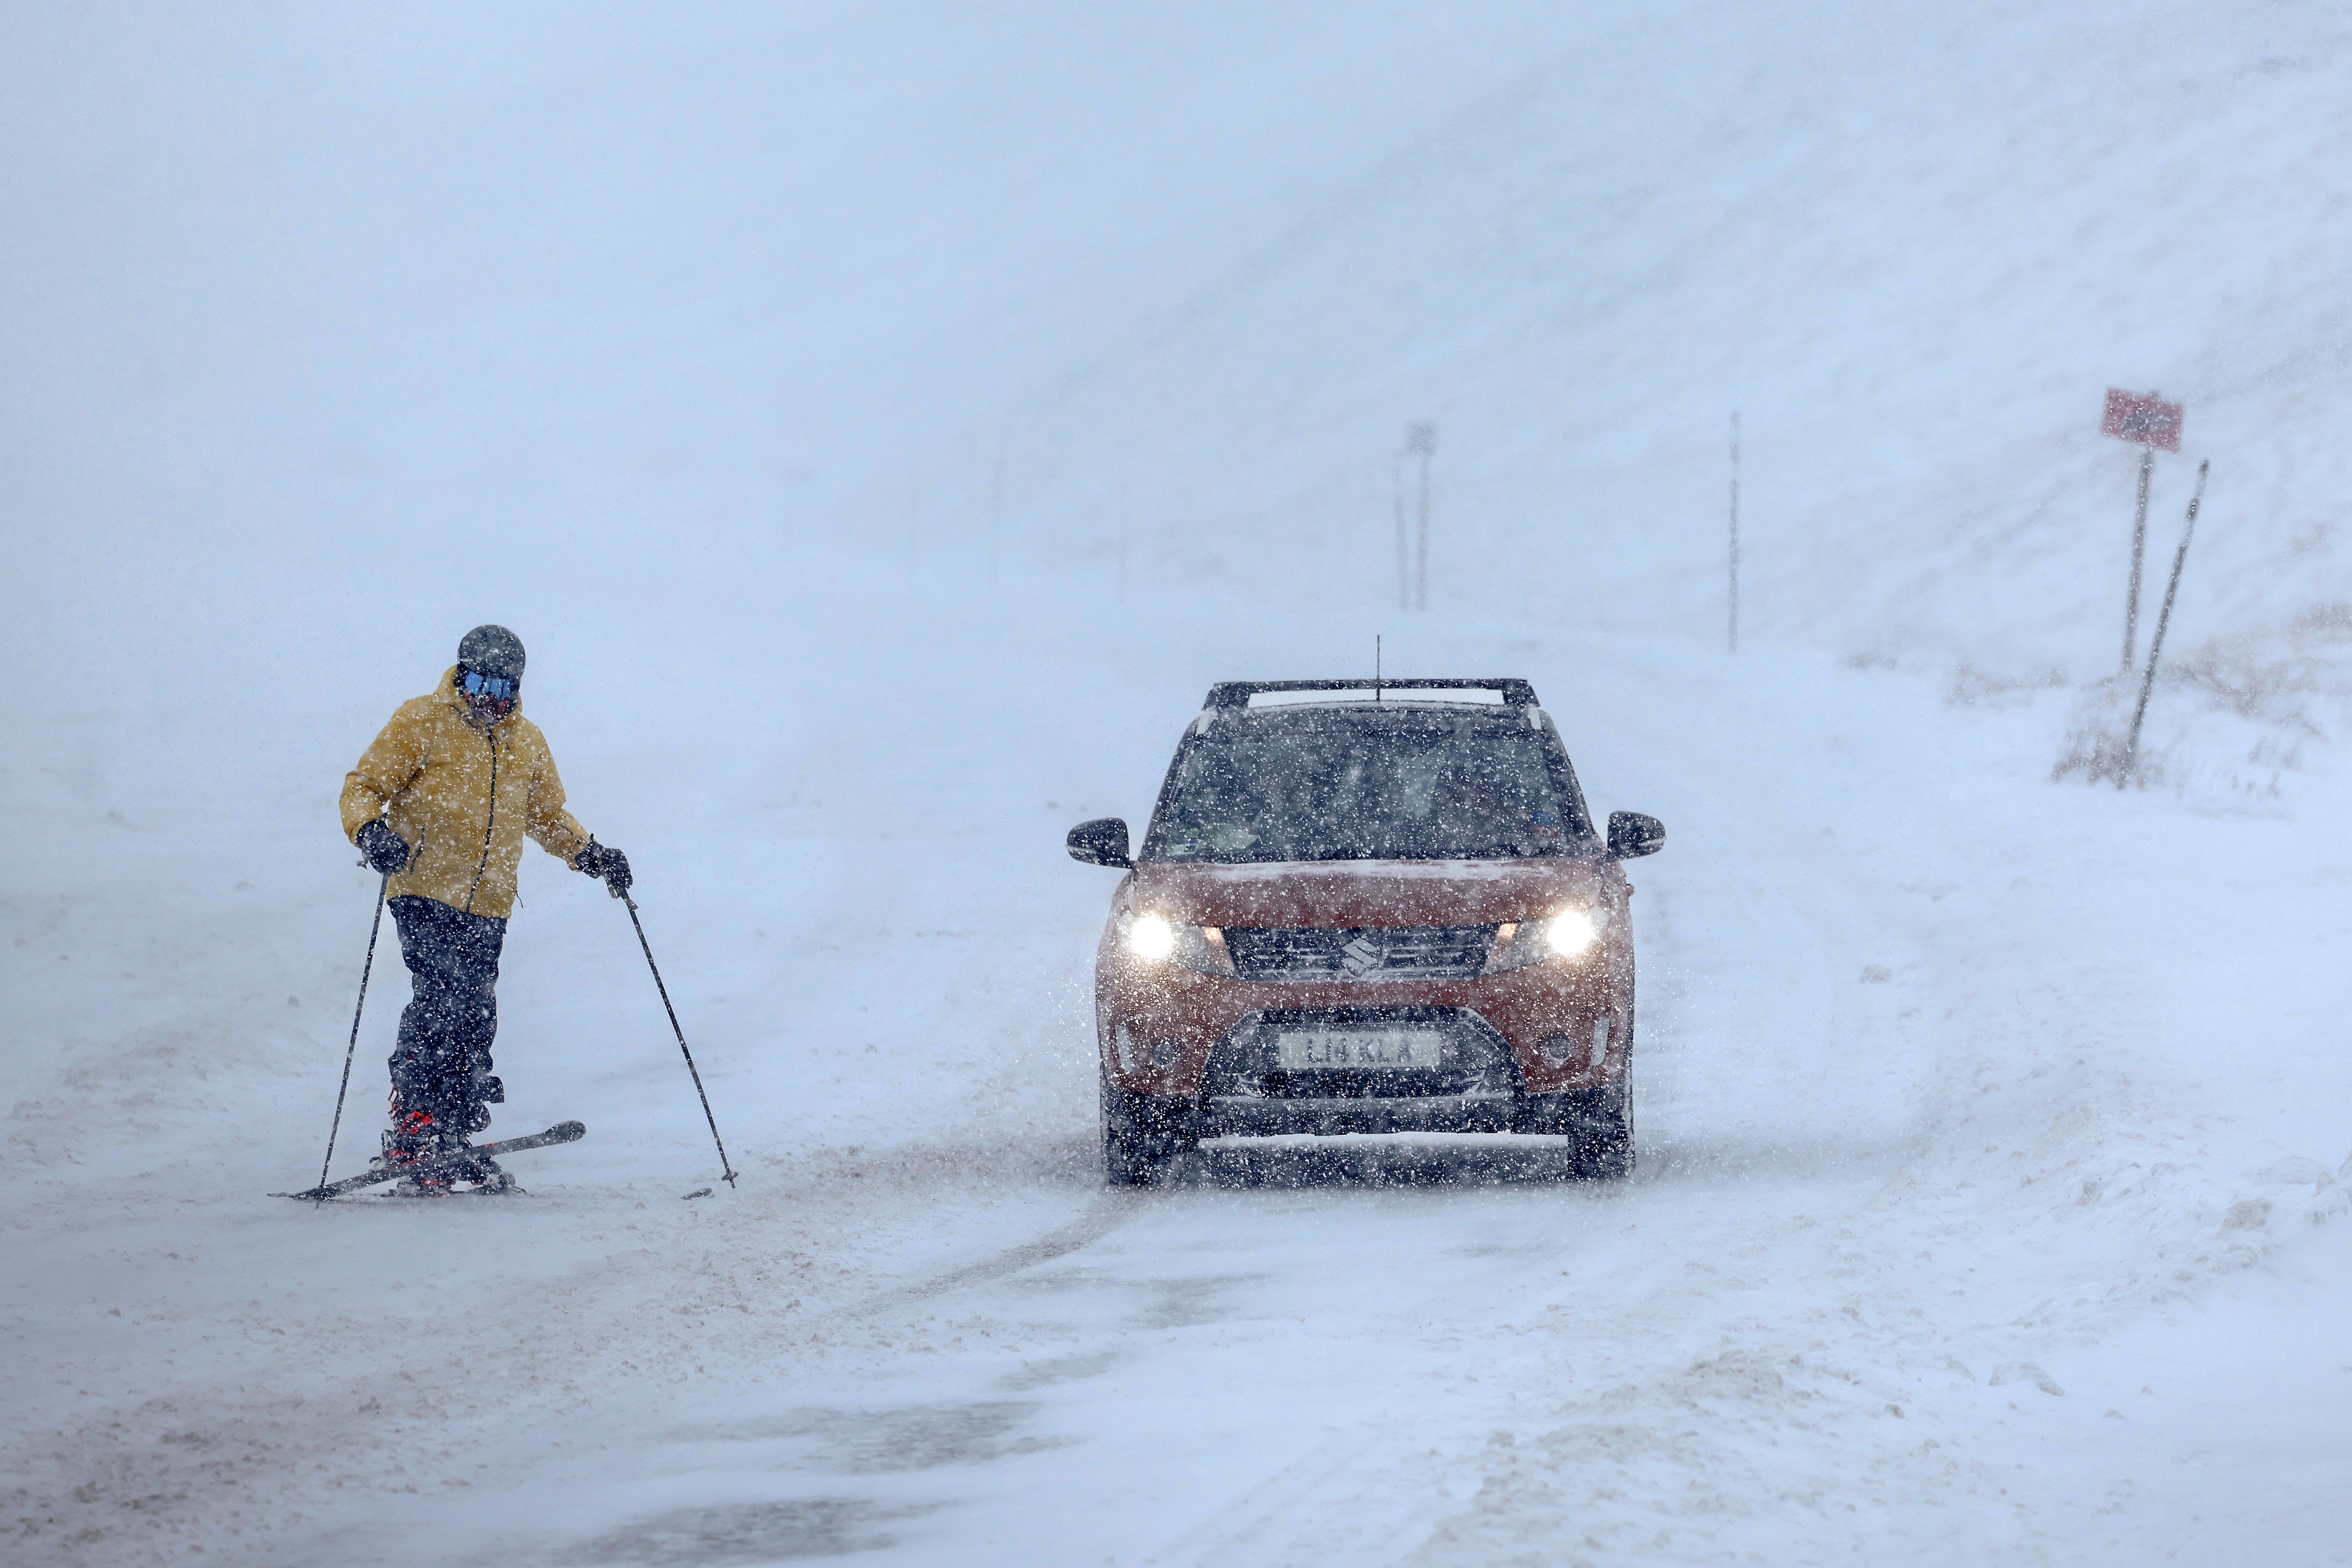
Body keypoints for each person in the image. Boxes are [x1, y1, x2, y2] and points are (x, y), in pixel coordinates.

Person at [339, 625, 631, 1194]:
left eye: (502, 687)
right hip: (423, 886)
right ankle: (414, 1122)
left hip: (489, 902)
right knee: (442, 996)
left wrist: (591, 853)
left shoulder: (527, 740)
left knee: (475, 1012)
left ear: (517, 688)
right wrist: (370, 832)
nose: (487, 698)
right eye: (476, 682)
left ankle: (452, 1130)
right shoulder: (422, 720)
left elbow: (546, 816)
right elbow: (364, 785)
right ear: (458, 675)